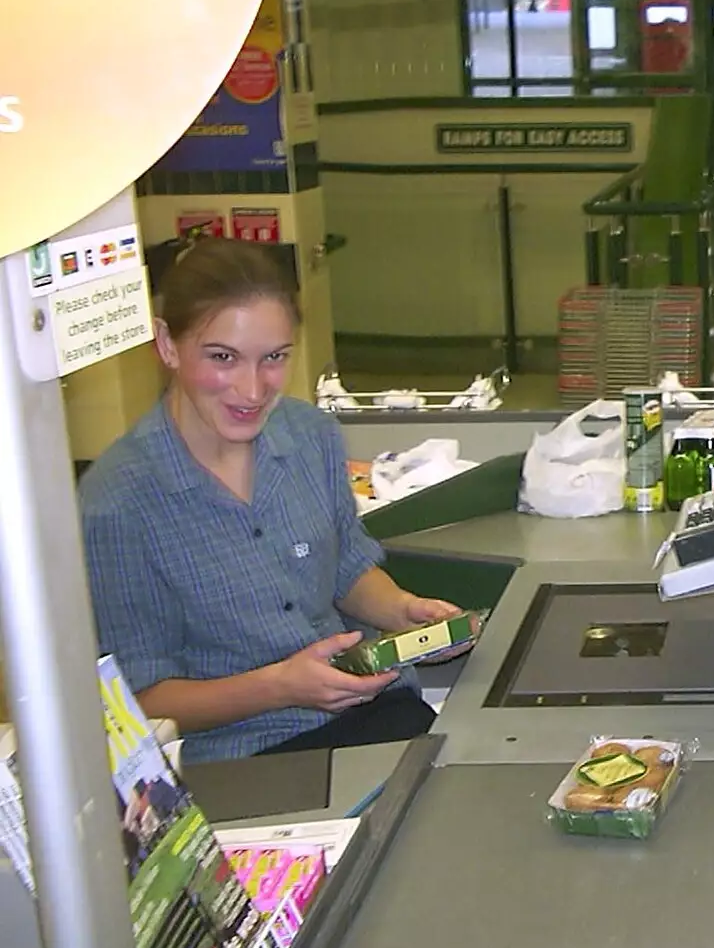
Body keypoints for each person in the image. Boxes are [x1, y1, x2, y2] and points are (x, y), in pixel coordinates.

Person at [79, 237, 464, 764]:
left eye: (274, 358)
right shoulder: (119, 503)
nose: (253, 389)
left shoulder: (310, 436)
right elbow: (141, 700)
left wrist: (402, 611)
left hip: (378, 716)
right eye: (223, 358)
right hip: (246, 761)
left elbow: (346, 568)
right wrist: (282, 686)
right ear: (167, 344)